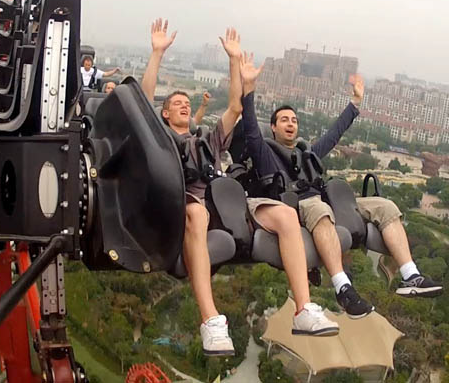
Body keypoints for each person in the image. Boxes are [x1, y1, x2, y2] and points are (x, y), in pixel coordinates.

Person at [141, 19, 339, 356]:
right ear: (163, 113)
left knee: (286, 216)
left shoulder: (206, 139)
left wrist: (236, 65)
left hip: (227, 201)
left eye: (187, 103)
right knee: (196, 215)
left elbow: (235, 107)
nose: (184, 105)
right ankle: (211, 322)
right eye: (176, 104)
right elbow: (142, 106)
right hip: (189, 201)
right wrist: (157, 53)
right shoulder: (161, 140)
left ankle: (303, 309)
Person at [240, 66, 444, 318]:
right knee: (319, 208)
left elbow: (333, 135)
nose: (290, 124)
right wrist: (248, 90)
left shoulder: (308, 155)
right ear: (273, 127)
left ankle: (410, 274)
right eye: (284, 120)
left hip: (325, 201)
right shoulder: (265, 154)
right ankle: (342, 286)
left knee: (385, 206)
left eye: (294, 120)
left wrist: (355, 104)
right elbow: (250, 132)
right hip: (296, 206)